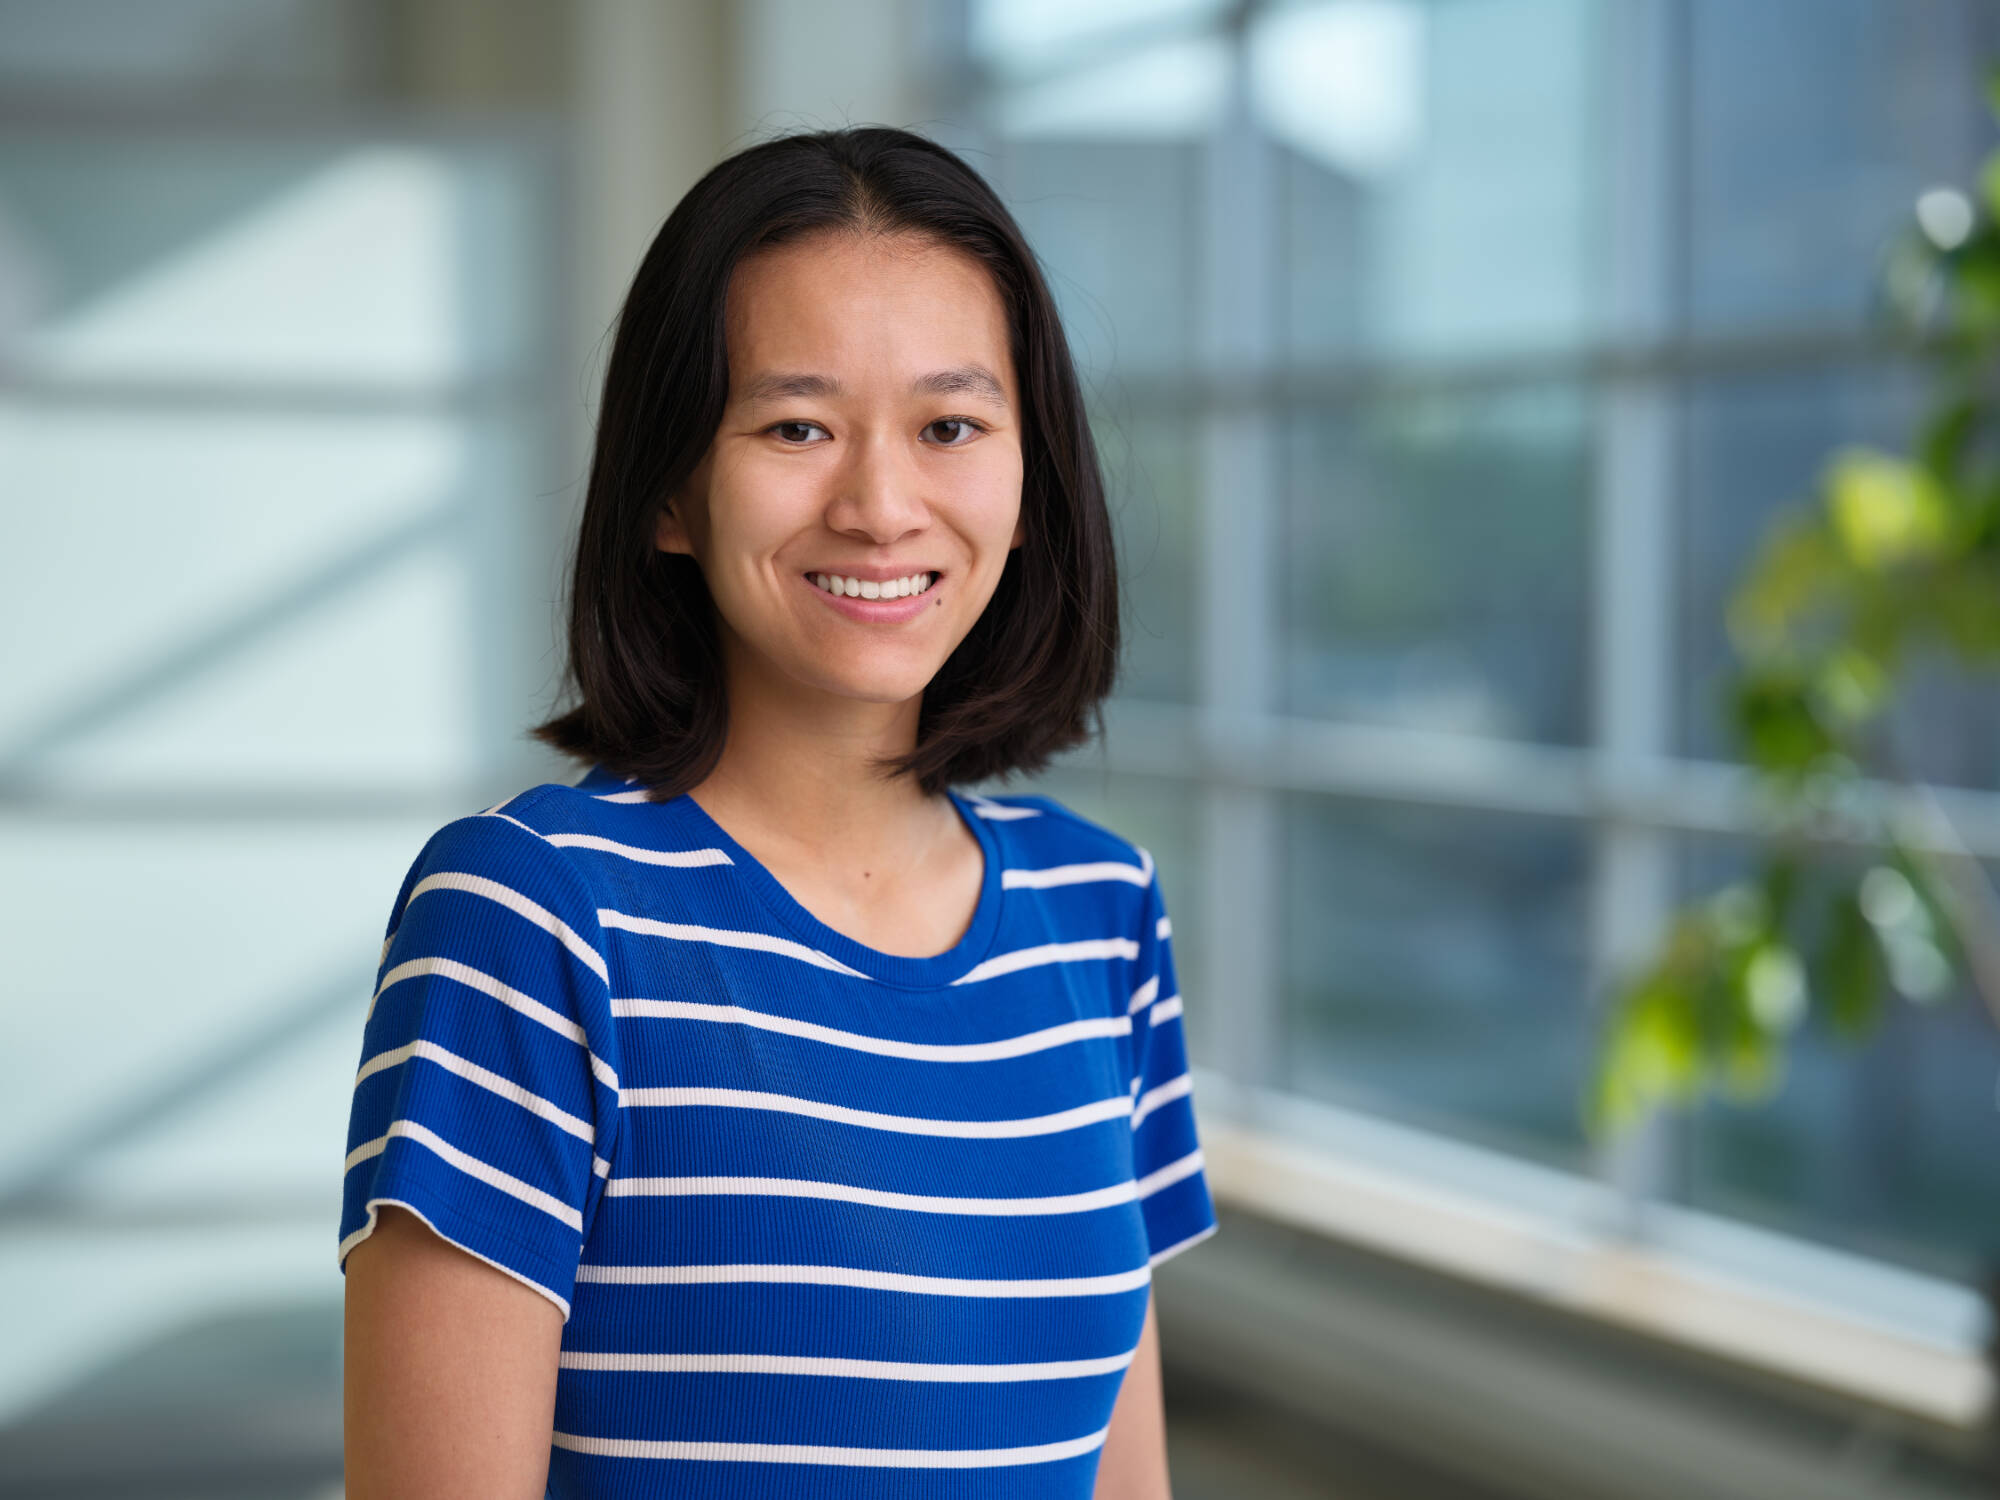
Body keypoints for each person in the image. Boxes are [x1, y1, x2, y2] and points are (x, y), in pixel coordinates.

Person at [338, 124, 1216, 1499]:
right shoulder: (532, 914)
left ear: (1029, 476)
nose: (880, 505)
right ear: (673, 490)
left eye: (951, 427)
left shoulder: (1101, 917)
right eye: (797, 426)